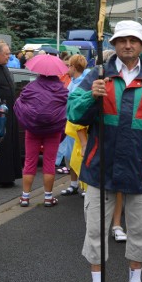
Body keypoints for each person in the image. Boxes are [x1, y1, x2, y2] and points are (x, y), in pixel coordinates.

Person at [67, 20, 142, 282]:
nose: (128, 45)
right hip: (100, 166)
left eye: (134, 40)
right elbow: (74, 113)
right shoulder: (97, 75)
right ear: (113, 44)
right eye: (122, 40)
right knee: (96, 230)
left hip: (140, 168)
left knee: (141, 229)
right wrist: (92, 95)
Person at [14, 61, 68, 208]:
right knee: (49, 163)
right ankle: (48, 197)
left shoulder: (31, 87)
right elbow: (66, 108)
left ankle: (25, 197)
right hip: (54, 130)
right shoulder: (61, 90)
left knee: (30, 162)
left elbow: (20, 102)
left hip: (32, 130)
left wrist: (26, 118)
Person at [0, 42, 22, 187]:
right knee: (1, 145)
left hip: (9, 114)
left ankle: (10, 175)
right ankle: (0, 178)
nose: (9, 56)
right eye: (6, 54)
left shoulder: (3, 67)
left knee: (10, 143)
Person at [60, 55, 90, 197]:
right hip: (70, 125)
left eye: (68, 66)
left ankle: (85, 186)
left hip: (79, 126)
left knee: (80, 156)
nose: (67, 69)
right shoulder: (73, 81)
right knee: (71, 156)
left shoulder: (82, 83)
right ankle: (73, 184)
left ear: (73, 67)